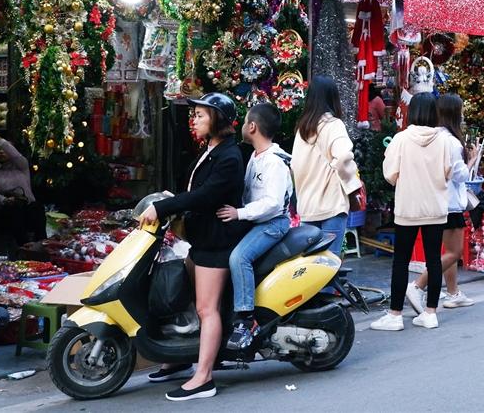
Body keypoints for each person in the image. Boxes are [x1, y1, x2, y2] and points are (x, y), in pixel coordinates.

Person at [138, 93, 248, 401]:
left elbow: (205, 196)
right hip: (200, 239)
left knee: (206, 308)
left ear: (218, 120)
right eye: (195, 114)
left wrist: (164, 208)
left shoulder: (229, 156)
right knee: (185, 291)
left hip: (217, 241)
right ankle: (182, 356)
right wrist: (168, 200)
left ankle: (204, 378)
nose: (195, 120)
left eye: (201, 115)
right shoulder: (211, 150)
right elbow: (194, 191)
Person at [372, 93, 453, 331]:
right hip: (436, 208)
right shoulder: (444, 140)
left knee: (401, 261)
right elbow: (448, 171)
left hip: (408, 207)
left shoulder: (401, 139)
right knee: (433, 261)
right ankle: (430, 313)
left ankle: (395, 315)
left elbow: (390, 174)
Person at [217, 103, 293, 351]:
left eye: (245, 121)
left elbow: (272, 203)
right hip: (255, 221)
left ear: (252, 126)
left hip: (273, 223)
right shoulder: (255, 156)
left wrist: (239, 213)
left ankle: (246, 320)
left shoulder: (274, 161)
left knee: (239, 258)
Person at [407, 94, 480, 313]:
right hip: (450, 202)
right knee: (454, 253)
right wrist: (472, 160)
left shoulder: (433, 137)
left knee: (448, 250)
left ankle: (453, 292)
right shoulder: (451, 141)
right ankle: (418, 285)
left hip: (435, 200)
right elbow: (459, 175)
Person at [291, 75, 362, 256]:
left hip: (308, 207)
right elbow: (344, 157)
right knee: (328, 265)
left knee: (312, 268)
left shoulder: (302, 130)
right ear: (333, 97)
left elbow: (295, 166)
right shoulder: (334, 125)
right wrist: (352, 185)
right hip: (331, 205)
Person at [0, 127, 45, 249]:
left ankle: (43, 244)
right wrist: (4, 200)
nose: (1, 152)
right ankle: (24, 247)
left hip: (29, 207)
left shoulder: (22, 167)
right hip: (7, 210)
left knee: (37, 208)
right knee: (15, 211)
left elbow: (16, 156)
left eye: (4, 150)